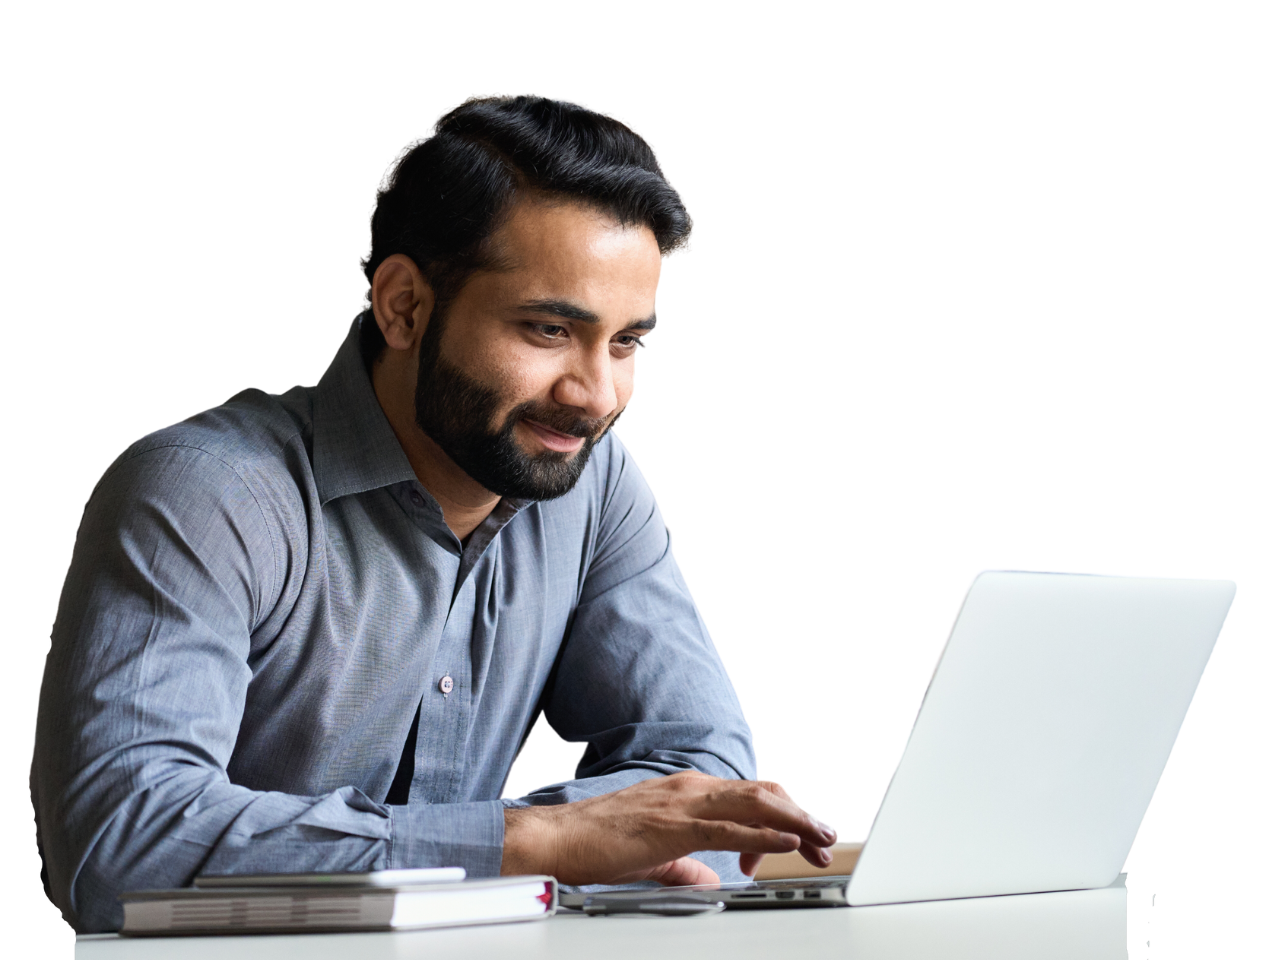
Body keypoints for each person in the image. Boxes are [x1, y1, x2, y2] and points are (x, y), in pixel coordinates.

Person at [30, 93, 837, 934]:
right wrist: (532, 841)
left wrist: (573, 840)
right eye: (549, 329)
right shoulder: (207, 492)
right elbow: (118, 847)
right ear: (404, 306)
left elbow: (703, 776)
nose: (596, 395)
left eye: (628, 343)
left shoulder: (592, 484)